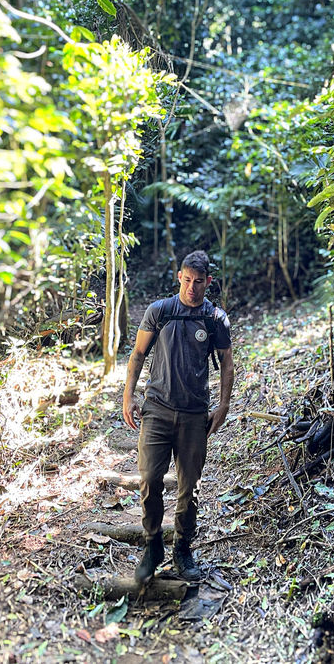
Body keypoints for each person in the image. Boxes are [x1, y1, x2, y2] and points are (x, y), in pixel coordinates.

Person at [122, 250, 234, 584]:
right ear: (179, 278)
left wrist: (224, 406)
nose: (192, 288)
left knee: (189, 487)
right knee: (150, 479)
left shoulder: (215, 319)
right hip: (156, 408)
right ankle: (152, 543)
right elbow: (138, 354)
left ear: (208, 282)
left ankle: (183, 549)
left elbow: (226, 364)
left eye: (199, 282)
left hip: (193, 414)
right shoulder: (161, 311)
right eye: (187, 280)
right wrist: (128, 395)